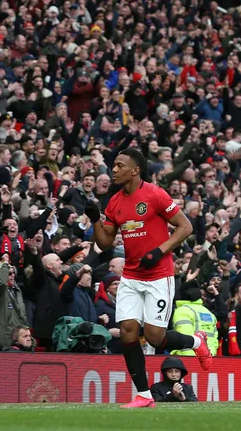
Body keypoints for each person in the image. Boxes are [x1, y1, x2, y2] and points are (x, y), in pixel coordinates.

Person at [84, 148, 210, 408]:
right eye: (114, 166)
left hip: (159, 275)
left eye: (119, 166)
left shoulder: (154, 194)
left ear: (135, 170)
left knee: (154, 337)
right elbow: (106, 243)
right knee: (129, 334)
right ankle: (144, 394)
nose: (114, 170)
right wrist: (96, 220)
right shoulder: (115, 201)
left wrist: (159, 251)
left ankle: (197, 341)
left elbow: (185, 227)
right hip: (131, 275)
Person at [0, 262, 27, 347]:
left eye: (14, 273)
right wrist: (5, 265)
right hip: (5, 332)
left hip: (18, 331)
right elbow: (1, 284)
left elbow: (21, 312)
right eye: (9, 273)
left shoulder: (16, 289)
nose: (13, 275)